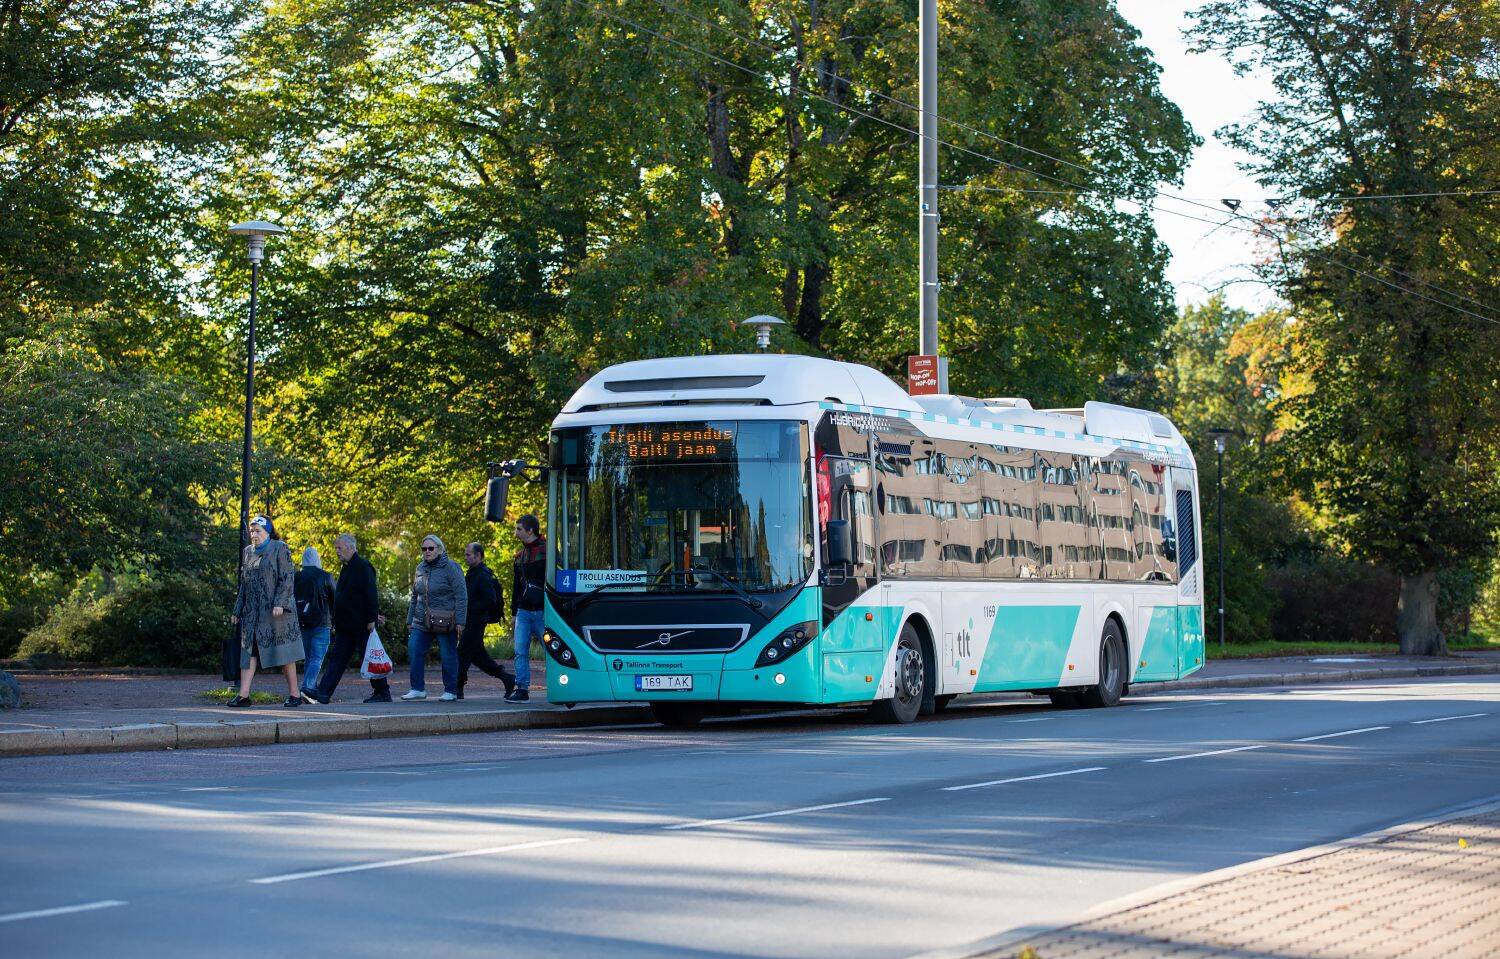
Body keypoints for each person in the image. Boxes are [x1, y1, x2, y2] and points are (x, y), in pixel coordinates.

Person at [228, 515, 303, 708]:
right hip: (253, 613)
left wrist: (280, 602)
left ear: (268, 532)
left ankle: (295, 695)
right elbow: (243, 583)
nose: (254, 534)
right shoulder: (248, 552)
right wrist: (238, 609)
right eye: (251, 531)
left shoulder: (279, 548)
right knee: (248, 653)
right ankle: (243, 695)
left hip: (276, 612)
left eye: (258, 531)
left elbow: (287, 578)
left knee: (284, 652)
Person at [303, 534, 387, 704]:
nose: (337, 552)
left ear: (350, 547)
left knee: (369, 657)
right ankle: (323, 693)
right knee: (337, 659)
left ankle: (382, 692)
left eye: (339, 548)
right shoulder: (347, 567)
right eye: (336, 548)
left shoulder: (363, 566)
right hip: (346, 625)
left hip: (362, 624)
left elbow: (371, 593)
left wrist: (372, 618)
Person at [404, 534, 467, 702]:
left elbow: (461, 595)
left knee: (448, 655)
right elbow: (414, 596)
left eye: (430, 548)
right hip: (420, 620)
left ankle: (451, 690)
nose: (427, 551)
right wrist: (409, 620)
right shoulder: (420, 568)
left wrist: (461, 621)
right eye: (424, 549)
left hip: (445, 620)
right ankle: (417, 689)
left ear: (439, 549)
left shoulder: (452, 567)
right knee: (414, 649)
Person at [457, 543, 515, 700]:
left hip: (476, 621)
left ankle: (458, 687)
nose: (466, 557)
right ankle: (507, 678)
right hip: (472, 620)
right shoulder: (473, 572)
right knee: (478, 656)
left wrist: (471, 608)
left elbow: (490, 600)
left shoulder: (482, 574)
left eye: (469, 554)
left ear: (478, 556)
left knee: (462, 653)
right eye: (466, 554)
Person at [506, 514, 547, 703]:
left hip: (544, 611)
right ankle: (522, 689)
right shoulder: (520, 556)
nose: (516, 533)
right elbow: (516, 587)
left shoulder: (547, 552)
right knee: (520, 651)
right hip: (524, 611)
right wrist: (514, 613)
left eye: (519, 529)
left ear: (530, 531)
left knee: (552, 651)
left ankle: (560, 684)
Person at [294, 546, 335, 698]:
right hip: (322, 623)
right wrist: (335, 622)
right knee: (317, 658)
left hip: (302, 623)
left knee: (308, 658)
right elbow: (335, 599)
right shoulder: (325, 576)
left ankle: (308, 687)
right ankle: (308, 686)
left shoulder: (297, 576)